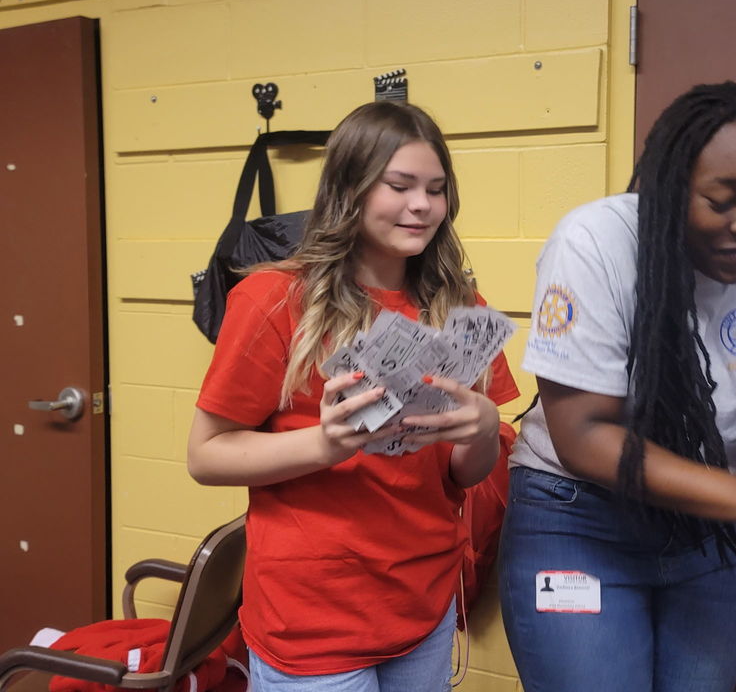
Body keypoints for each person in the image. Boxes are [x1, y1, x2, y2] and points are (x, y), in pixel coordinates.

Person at [499, 81, 736, 692]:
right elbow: (584, 435)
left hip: (706, 521)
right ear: (669, 187)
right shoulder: (595, 243)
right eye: (721, 200)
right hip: (580, 516)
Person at [187, 101, 519, 692]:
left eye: (436, 189)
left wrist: (485, 429)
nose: (423, 205)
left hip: (424, 604)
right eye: (400, 185)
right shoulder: (274, 299)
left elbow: (463, 475)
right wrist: (325, 444)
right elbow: (205, 456)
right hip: (313, 618)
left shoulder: (462, 307)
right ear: (350, 189)